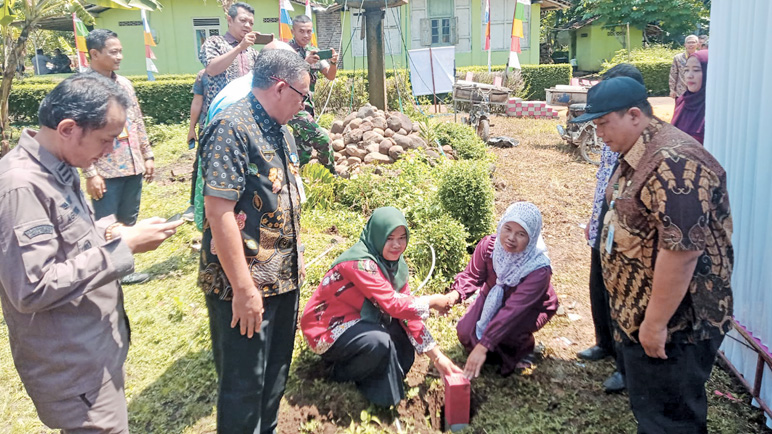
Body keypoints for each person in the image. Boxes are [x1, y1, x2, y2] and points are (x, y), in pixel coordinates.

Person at [0, 73, 182, 434]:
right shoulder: (21, 186)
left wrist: (115, 231)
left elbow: (68, 237)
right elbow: (32, 287)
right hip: (73, 366)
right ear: (69, 128)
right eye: (107, 139)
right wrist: (123, 247)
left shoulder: (58, 165)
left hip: (92, 350)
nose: (112, 150)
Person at [570, 77, 733, 433]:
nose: (599, 134)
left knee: (670, 422)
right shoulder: (638, 150)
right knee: (654, 413)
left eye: (602, 124)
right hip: (646, 317)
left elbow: (682, 252)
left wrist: (656, 323)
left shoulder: (674, 163)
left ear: (633, 115)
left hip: (678, 326)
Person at [197, 48, 309, 433]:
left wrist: (296, 260)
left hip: (282, 280)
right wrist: (245, 289)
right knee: (243, 387)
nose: (303, 103)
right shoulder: (232, 126)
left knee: (274, 378)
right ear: (281, 87)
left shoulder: (281, 131)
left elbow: (283, 201)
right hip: (242, 288)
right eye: (302, 95)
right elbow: (219, 212)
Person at [300, 206, 463, 406]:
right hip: (329, 328)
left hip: (361, 319)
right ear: (377, 235)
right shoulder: (360, 264)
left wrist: (438, 358)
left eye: (402, 237)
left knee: (403, 346)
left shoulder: (396, 266)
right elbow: (392, 304)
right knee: (379, 342)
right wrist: (432, 301)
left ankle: (372, 375)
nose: (397, 245)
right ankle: (337, 372)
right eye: (389, 238)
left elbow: (407, 313)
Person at [577, 63, 646, 393]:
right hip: (605, 211)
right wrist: (595, 216)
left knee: (622, 290)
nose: (600, 128)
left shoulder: (648, 147)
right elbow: (605, 178)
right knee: (598, 283)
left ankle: (624, 364)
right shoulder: (613, 131)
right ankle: (604, 342)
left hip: (626, 222)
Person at [443, 202, 558, 379]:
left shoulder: (538, 270)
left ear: (532, 237)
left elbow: (513, 311)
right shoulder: (490, 246)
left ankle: (523, 348)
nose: (511, 238)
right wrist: (453, 296)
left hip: (528, 309)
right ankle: (491, 348)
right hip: (492, 294)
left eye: (521, 234)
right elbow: (472, 276)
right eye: (508, 229)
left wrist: (483, 346)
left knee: (507, 335)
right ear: (501, 225)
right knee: (465, 332)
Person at [83, 29, 154, 285]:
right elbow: (81, 134)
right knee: (106, 222)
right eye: (113, 52)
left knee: (128, 220)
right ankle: (106, 272)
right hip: (105, 169)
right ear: (94, 54)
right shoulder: (84, 88)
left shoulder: (124, 85)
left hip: (132, 163)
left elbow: (137, 121)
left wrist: (147, 155)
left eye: (120, 51)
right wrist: (91, 173)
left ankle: (124, 270)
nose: (119, 56)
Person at [288, 14, 338, 174]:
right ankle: (332, 176)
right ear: (292, 31)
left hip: (308, 107)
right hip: (292, 108)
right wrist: (305, 63)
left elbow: (330, 75)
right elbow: (284, 77)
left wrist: (334, 63)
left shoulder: (313, 51)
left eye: (309, 31)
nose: (305, 35)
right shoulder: (285, 51)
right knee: (323, 140)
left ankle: (297, 181)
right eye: (301, 31)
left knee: (303, 151)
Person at [198, 2, 261, 121]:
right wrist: (239, 48)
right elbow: (212, 69)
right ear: (230, 20)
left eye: (251, 23)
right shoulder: (214, 42)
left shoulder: (252, 53)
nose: (247, 25)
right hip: (219, 115)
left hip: (247, 116)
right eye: (243, 20)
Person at [182, 69, 209, 221]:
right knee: (199, 164)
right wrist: (191, 128)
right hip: (207, 126)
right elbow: (197, 101)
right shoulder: (202, 75)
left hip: (236, 127)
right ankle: (193, 204)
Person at [672, 50, 708, 145]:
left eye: (696, 70)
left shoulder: (715, 107)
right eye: (686, 70)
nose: (689, 76)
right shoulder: (682, 101)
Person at [669, 35, 699, 99]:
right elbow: (673, 73)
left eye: (693, 42)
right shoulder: (678, 58)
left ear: (697, 44)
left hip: (697, 92)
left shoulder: (701, 57)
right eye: (688, 42)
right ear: (685, 44)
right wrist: (672, 89)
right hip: (681, 92)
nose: (691, 45)